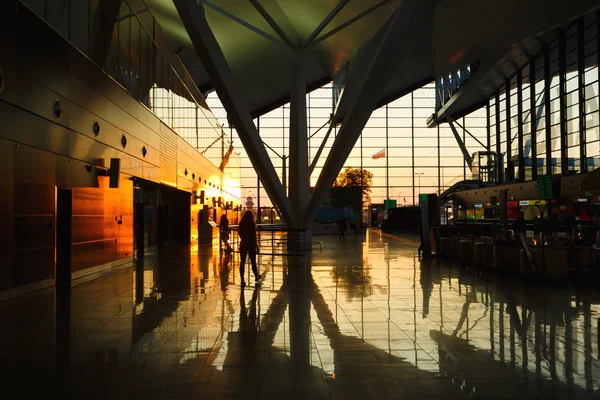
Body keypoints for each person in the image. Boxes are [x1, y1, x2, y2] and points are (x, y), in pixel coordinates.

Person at [238, 211, 260, 287]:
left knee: (242, 262)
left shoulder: (241, 223)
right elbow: (254, 236)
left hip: (243, 244)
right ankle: (256, 276)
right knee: (253, 261)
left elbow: (239, 233)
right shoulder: (252, 224)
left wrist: (243, 240)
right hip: (251, 244)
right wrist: (256, 245)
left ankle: (242, 280)